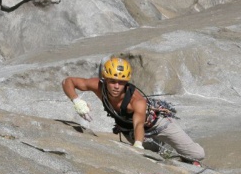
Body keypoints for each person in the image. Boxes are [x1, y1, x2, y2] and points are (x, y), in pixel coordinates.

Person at [61, 56, 205, 164]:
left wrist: (137, 145)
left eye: (121, 82)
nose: (116, 86)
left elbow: (138, 125)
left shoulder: (137, 101)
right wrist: (76, 100)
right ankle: (156, 146)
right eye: (112, 81)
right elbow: (68, 82)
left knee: (196, 154)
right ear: (105, 79)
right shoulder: (97, 86)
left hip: (156, 123)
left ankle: (169, 146)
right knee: (151, 155)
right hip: (127, 127)